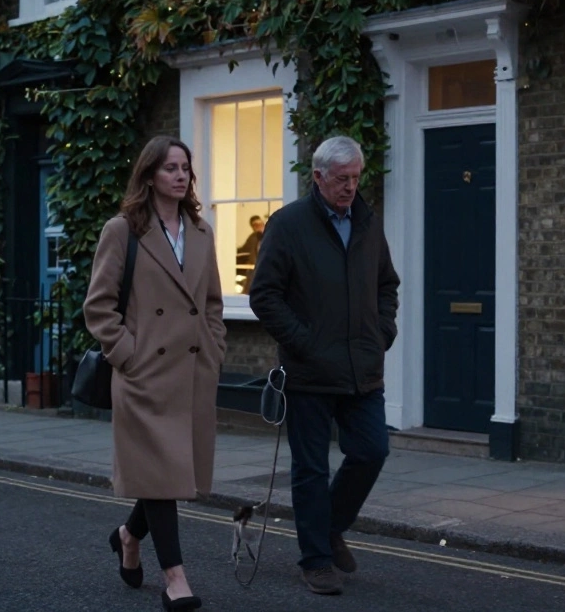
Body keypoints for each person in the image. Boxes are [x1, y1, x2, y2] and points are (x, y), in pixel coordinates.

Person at [248, 135, 400, 596]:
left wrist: (382, 333)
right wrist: (304, 343)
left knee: (372, 450)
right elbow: (264, 296)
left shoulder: (368, 222)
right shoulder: (289, 224)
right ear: (318, 177)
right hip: (310, 371)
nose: (350, 187)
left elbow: (386, 285)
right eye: (341, 178)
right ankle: (315, 560)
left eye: (356, 177)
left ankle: (330, 528)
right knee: (310, 469)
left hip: (361, 368)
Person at [83, 135, 228, 612]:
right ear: (149, 175)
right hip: (145, 376)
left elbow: (210, 303)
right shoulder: (123, 230)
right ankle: (175, 578)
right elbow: (99, 306)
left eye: (185, 167)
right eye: (170, 167)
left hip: (190, 373)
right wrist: (128, 354)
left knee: (166, 475)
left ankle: (128, 535)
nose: (181, 174)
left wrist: (214, 348)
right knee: (164, 476)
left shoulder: (202, 232)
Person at [236, 215, 265, 294]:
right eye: (256, 225)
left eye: (260, 224)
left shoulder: (265, 236)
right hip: (253, 268)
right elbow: (245, 249)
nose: (259, 226)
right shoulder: (253, 237)